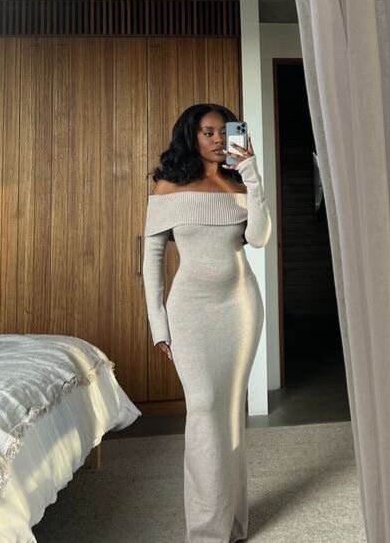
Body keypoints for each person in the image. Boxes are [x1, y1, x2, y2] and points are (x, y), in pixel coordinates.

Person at [142, 103, 272, 543]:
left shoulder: (239, 184)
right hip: (190, 310)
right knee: (202, 408)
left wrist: (251, 172)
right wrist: (158, 324)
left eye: (223, 131)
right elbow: (152, 258)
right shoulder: (168, 187)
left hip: (240, 308)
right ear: (191, 136)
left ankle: (233, 522)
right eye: (207, 132)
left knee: (231, 411)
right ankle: (205, 531)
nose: (217, 139)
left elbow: (259, 237)